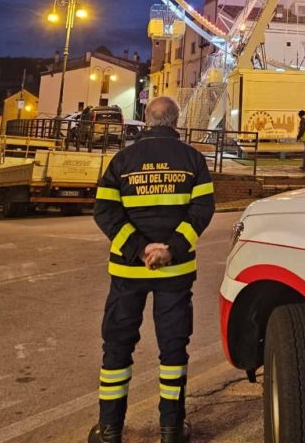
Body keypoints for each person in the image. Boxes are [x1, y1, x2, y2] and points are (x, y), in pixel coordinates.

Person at [88, 96, 215, 443]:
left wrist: (139, 248)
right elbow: (202, 210)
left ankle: (110, 429)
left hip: (128, 273)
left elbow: (105, 213)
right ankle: (172, 429)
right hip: (174, 274)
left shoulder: (122, 160)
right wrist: (169, 250)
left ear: (146, 119)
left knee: (117, 347)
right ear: (175, 121)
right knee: (173, 350)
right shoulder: (193, 159)